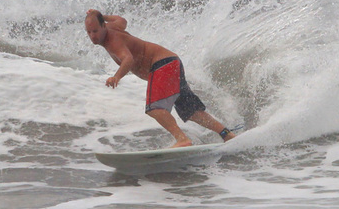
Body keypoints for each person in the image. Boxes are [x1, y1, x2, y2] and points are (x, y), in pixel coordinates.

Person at [84, 8, 236, 148]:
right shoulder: (112, 27)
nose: (92, 36)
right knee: (191, 111)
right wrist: (102, 16)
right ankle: (226, 134)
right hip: (171, 61)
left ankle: (182, 140)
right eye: (89, 32)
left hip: (162, 65)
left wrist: (116, 77)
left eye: (95, 31)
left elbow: (128, 59)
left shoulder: (113, 41)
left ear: (103, 26)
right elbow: (122, 20)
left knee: (155, 108)